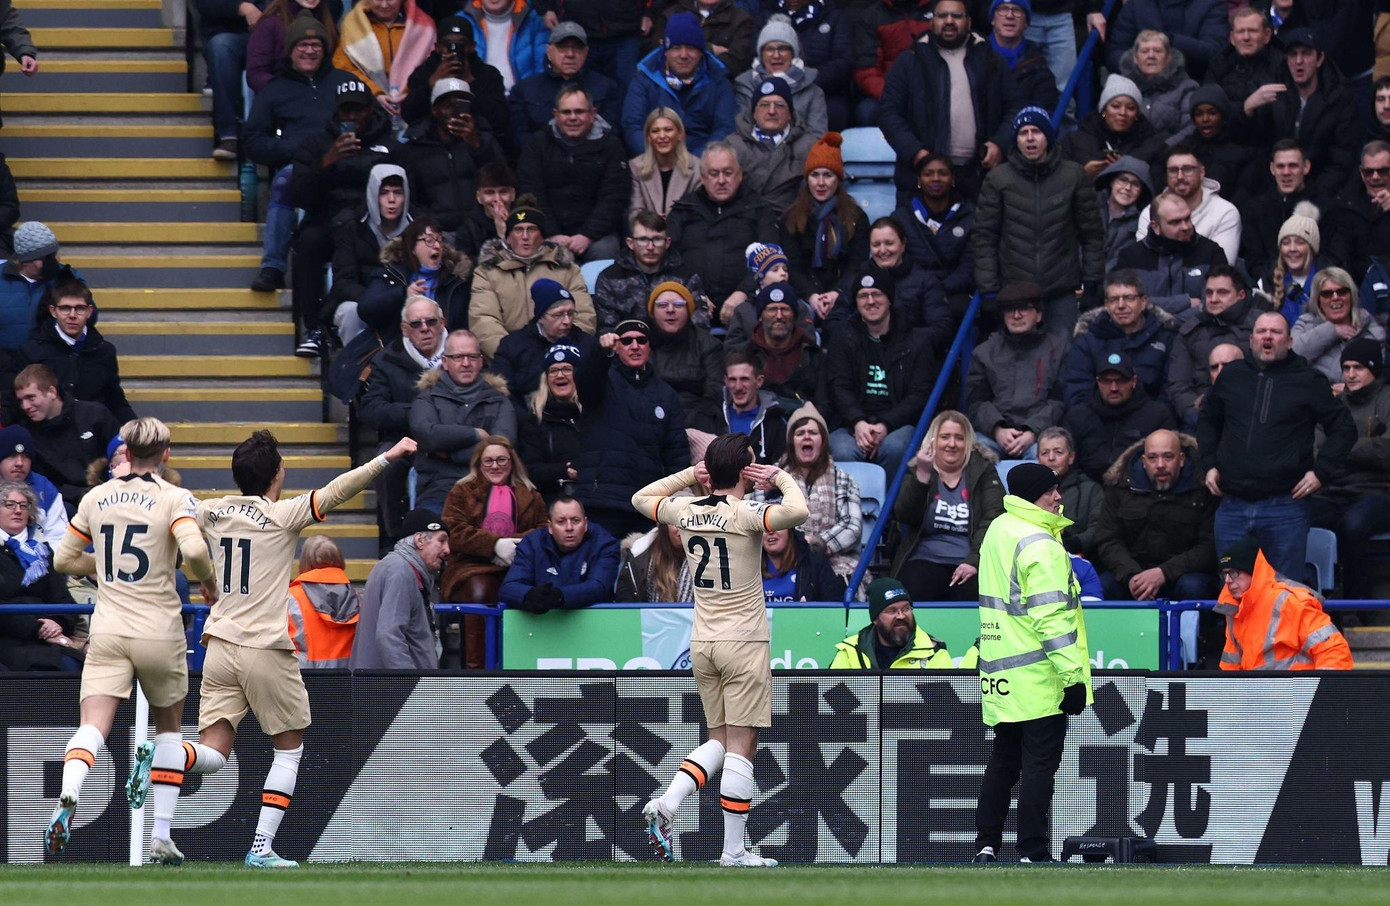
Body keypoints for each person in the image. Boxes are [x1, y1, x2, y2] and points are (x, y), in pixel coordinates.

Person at [144, 429, 417, 868]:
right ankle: (260, 849)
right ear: (276, 475)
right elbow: (340, 488)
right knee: (288, 748)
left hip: (217, 644)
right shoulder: (283, 514)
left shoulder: (212, 511)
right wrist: (388, 456)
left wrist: (136, 474)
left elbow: (174, 499)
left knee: (212, 753)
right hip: (265, 647)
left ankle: (167, 754)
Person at [634, 432, 809, 866]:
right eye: (753, 464)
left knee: (717, 739)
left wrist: (689, 476)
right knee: (742, 746)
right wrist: (779, 476)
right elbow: (799, 511)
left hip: (703, 641)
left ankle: (669, 803)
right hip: (745, 640)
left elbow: (642, 498)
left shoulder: (684, 509)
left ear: (710, 471)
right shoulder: (748, 514)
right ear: (745, 470)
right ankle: (732, 852)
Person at [48, 417, 218, 864]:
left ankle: (69, 793)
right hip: (158, 629)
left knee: (93, 724)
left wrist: (101, 567)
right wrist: (208, 584)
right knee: (168, 731)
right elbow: (197, 551)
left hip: (109, 627)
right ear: (166, 453)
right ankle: (161, 835)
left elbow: (64, 559)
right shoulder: (174, 497)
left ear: (123, 450)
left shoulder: (97, 496)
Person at [972, 461, 1090, 865]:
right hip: (1040, 674)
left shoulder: (998, 531)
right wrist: (1072, 677)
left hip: (1000, 671)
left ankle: (986, 845)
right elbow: (1050, 618)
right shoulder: (1039, 542)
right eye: (1050, 491)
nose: (1058, 497)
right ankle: (1032, 852)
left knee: (1003, 762)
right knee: (1039, 767)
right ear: (1032, 495)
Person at [1197, 311, 1358, 581]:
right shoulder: (1231, 376)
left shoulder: (1309, 380)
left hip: (1285, 506)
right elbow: (1208, 421)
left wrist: (1322, 472)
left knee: (1284, 593)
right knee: (1233, 593)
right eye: (1261, 332)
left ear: (1290, 341)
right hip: (1232, 504)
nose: (1267, 337)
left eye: (1276, 332)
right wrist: (1209, 464)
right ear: (1251, 340)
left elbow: (1344, 428)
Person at [288, 79, 406, 358]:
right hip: (327, 221)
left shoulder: (391, 146)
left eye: (359, 110)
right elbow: (298, 196)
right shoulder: (316, 144)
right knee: (307, 242)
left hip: (372, 225)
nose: (353, 117)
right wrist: (327, 162)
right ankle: (314, 328)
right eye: (347, 111)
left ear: (371, 111)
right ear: (337, 113)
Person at [244, 14, 354, 294]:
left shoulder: (344, 82)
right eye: (302, 44)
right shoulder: (274, 91)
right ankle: (273, 268)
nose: (309, 50)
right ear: (290, 50)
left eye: (316, 44)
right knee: (284, 181)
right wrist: (291, 150)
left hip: (347, 160)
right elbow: (253, 141)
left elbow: (373, 121)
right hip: (299, 166)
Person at [975, 107, 1104, 339]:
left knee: (1064, 361)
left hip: (1062, 290)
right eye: (1023, 133)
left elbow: (1092, 234)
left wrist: (1092, 282)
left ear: (1048, 137)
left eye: (1037, 131)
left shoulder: (1073, 175)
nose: (1030, 138)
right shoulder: (997, 179)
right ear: (1016, 139)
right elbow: (985, 237)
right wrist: (989, 291)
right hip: (1015, 291)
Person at [877, 0, 1022, 200]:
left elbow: (1015, 106)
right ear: (932, 21)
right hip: (922, 175)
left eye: (957, 16)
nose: (949, 21)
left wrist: (999, 143)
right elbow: (888, 113)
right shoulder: (909, 61)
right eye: (942, 16)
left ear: (969, 22)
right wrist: (916, 153)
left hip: (979, 174)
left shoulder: (990, 59)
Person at [571, 318, 690, 538]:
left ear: (649, 346)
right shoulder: (602, 380)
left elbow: (676, 453)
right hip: (602, 500)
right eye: (626, 341)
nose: (634, 346)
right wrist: (600, 352)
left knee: (642, 571)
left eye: (641, 340)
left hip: (645, 505)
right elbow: (584, 380)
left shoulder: (666, 394)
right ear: (616, 348)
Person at [440, 435, 547, 667]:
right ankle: (477, 669)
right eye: (488, 461)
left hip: (519, 565)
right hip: (471, 567)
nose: (495, 466)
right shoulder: (462, 491)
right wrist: (494, 546)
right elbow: (453, 530)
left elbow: (543, 530)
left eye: (501, 460)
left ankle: (523, 664)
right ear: (478, 464)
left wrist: (513, 545)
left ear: (512, 462)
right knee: (480, 591)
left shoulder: (531, 494)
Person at [823, 268, 936, 476]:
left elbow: (919, 395)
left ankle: (895, 509)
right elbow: (839, 386)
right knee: (842, 450)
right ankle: (852, 508)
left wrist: (886, 424)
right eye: (863, 296)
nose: (870, 301)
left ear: (889, 299)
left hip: (898, 424)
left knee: (896, 448)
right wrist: (858, 422)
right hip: (851, 424)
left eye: (876, 294)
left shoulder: (916, 340)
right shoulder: (843, 336)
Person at [890, 409, 1005, 603]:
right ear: (933, 440)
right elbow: (903, 514)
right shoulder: (919, 469)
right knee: (913, 585)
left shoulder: (983, 470)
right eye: (945, 437)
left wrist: (974, 561)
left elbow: (994, 517)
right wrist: (922, 476)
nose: (952, 444)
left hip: (970, 560)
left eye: (959, 438)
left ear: (968, 442)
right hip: (925, 559)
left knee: (976, 590)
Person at [356, 298, 443, 549]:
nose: (424, 328)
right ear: (405, 329)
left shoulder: (460, 354)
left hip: (451, 435)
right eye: (416, 324)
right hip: (404, 439)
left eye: (431, 321)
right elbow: (371, 409)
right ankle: (394, 534)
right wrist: (419, 413)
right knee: (385, 463)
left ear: (442, 324)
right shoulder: (387, 359)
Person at [1093, 428, 1218, 601]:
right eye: (1152, 458)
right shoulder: (1119, 487)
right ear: (1144, 461)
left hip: (1181, 574)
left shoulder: (1202, 489)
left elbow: (1210, 545)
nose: (1160, 465)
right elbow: (1107, 539)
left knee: (1194, 587)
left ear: (1181, 459)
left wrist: (1164, 573)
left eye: (1168, 457)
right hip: (1133, 573)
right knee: (1103, 586)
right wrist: (1132, 576)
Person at [1308, 340, 1390, 599]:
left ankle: (1357, 602)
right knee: (1292, 518)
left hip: (1376, 491)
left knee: (1353, 526)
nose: (1350, 374)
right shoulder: (1332, 404)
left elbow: (1387, 450)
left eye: (1358, 367)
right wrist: (1366, 447)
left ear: (1374, 369)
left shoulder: (1386, 399)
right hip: (1331, 491)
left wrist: (1341, 446)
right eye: (1346, 367)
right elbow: (1317, 451)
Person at [665, 143, 778, 328]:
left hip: (748, 301)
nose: (721, 180)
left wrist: (743, 292)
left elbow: (770, 258)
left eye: (728, 172)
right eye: (714, 173)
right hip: (690, 301)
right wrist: (693, 293)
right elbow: (669, 258)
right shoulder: (684, 209)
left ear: (740, 174)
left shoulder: (759, 209)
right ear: (702, 177)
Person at [468, 199, 596, 358]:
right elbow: (484, 321)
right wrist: (514, 355)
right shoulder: (487, 271)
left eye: (532, 229)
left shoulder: (567, 269)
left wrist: (561, 353)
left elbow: (584, 316)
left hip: (563, 358)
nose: (525, 236)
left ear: (542, 236)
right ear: (507, 237)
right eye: (518, 230)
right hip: (511, 360)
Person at [1242, 27, 1359, 200]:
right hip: (1274, 188)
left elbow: (1342, 162)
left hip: (1321, 191)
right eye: (1292, 54)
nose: (1298, 61)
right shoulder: (1272, 94)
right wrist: (1247, 109)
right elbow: (1256, 147)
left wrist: (1313, 196)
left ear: (1319, 59)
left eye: (1306, 54)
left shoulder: (1339, 100)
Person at [517, 83, 629, 262]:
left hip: (597, 236)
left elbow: (614, 196)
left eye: (579, 111)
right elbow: (532, 192)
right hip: (548, 233)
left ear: (592, 114)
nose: (573, 117)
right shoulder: (537, 144)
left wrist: (587, 235)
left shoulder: (612, 146)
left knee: (605, 251)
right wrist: (552, 233)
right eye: (566, 112)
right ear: (556, 114)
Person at [410, 329, 517, 511]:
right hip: (438, 489)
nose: (466, 363)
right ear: (445, 362)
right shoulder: (427, 398)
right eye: (458, 357)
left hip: (489, 490)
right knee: (432, 535)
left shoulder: (499, 400)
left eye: (472, 357)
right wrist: (476, 434)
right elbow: (427, 436)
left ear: (481, 361)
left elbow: (502, 447)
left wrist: (450, 453)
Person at [1214, 536, 1353, 670]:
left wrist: (1322, 692)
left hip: (1298, 691)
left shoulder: (1290, 602)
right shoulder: (1234, 608)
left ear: (1254, 572)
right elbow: (1230, 667)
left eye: (1234, 572)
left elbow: (1334, 651)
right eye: (1224, 574)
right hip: (1261, 692)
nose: (1227, 580)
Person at [9, 278, 135, 423]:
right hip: (45, 434)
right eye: (65, 308)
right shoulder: (31, 350)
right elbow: (15, 400)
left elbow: (115, 399)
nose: (72, 315)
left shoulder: (104, 351)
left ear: (89, 312)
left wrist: (136, 428)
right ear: (53, 311)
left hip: (93, 432)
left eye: (79, 308)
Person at [965, 283, 1067, 461]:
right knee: (971, 458)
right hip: (992, 434)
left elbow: (1060, 400)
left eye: (1024, 309)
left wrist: (1032, 431)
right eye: (1009, 310)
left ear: (1039, 315)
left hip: (1041, 434)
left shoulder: (1059, 350)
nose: (1016, 315)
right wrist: (998, 430)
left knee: (1046, 458)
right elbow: (975, 402)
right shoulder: (984, 352)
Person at [765, 401, 862, 583]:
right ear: (791, 442)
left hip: (833, 561)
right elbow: (757, 517)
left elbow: (853, 527)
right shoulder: (771, 477)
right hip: (780, 561)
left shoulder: (844, 480)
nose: (806, 437)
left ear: (823, 441)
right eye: (800, 433)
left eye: (813, 433)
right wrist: (795, 547)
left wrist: (817, 544)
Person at [779, 132, 870, 317]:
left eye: (828, 175)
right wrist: (812, 296)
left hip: (843, 295)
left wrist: (837, 293)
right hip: (803, 296)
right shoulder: (790, 218)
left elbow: (856, 264)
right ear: (807, 179)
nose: (820, 183)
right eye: (814, 175)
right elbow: (793, 266)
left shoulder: (856, 217)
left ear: (838, 179)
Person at [622, 12, 738, 157]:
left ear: (701, 52)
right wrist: (658, 159)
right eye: (676, 48)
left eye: (691, 48)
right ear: (665, 51)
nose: (683, 55)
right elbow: (633, 127)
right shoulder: (645, 78)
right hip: (653, 161)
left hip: (702, 164)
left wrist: (692, 162)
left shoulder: (718, 80)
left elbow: (725, 128)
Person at [397, 78, 505, 234]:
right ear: (434, 110)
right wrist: (431, 226)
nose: (455, 113)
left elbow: (501, 180)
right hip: (438, 234)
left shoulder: (484, 140)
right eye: (448, 106)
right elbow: (411, 200)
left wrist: (476, 145)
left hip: (482, 230)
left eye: (461, 106)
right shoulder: (415, 148)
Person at [350, 507, 450, 669]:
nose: (447, 550)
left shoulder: (396, 567)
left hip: (384, 687)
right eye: (441, 540)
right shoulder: (400, 571)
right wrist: (406, 683)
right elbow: (389, 635)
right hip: (392, 690)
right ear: (420, 540)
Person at [1061, 270, 1176, 409]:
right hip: (1098, 422)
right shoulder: (1087, 342)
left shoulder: (1166, 338)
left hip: (1153, 423)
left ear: (1143, 302)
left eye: (1128, 298)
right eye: (1114, 299)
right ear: (1106, 305)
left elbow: (1170, 392)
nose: (1121, 305)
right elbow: (1077, 392)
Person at [1167, 266, 1262, 429]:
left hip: (1254, 417)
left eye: (1222, 292)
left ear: (1241, 295)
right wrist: (1196, 415)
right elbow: (1178, 385)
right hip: (1202, 416)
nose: (1213, 299)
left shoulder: (1261, 326)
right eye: (1209, 293)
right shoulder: (1191, 330)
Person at [13, 364, 119, 506]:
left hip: (110, 496)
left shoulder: (94, 415)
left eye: (31, 398)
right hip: (62, 505)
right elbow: (39, 482)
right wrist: (79, 495)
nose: (25, 406)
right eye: (21, 400)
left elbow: (121, 454)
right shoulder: (26, 434)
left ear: (52, 392)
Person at [0, 480, 78, 672]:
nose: (17, 510)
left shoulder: (42, 552)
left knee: (75, 666)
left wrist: (57, 623)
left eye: (23, 505)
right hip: (8, 640)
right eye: (9, 504)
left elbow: (63, 600)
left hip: (47, 639)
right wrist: (38, 629)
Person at [1063, 352, 1177, 481]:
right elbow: (1068, 468)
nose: (1113, 388)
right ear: (1097, 382)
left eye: (1120, 380)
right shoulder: (1077, 416)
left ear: (1134, 381)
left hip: (1138, 491)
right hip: (1086, 493)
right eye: (1106, 381)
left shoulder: (1158, 415)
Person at [594, 211, 708, 338]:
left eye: (657, 239)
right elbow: (606, 328)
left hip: (677, 350)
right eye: (643, 239)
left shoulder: (686, 276)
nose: (650, 247)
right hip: (630, 348)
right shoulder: (610, 277)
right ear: (630, 243)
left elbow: (700, 325)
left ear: (667, 243)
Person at [498, 495, 620, 611]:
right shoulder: (531, 544)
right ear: (550, 527)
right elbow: (508, 587)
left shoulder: (605, 544)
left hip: (595, 622)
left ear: (586, 524)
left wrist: (560, 596)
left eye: (576, 520)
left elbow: (599, 586)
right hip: (539, 624)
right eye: (561, 521)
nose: (569, 527)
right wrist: (529, 595)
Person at [403, 14, 510, 146]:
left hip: (475, 139)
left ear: (472, 46)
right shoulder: (423, 73)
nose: (453, 49)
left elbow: (500, 120)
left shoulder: (488, 74)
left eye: (461, 44)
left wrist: (470, 81)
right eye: (448, 44)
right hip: (431, 142)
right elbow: (408, 115)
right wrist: (430, 85)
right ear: (437, 47)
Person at [893, 153, 976, 324]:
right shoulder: (901, 218)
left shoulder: (971, 216)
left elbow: (969, 266)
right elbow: (900, 261)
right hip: (913, 290)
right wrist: (923, 287)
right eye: (928, 174)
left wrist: (942, 287)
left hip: (954, 291)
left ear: (953, 179)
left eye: (943, 173)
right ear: (919, 180)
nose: (936, 179)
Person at [359, 218, 474, 339]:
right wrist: (403, 294)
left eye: (439, 240)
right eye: (429, 240)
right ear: (412, 247)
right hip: (396, 349)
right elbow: (366, 310)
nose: (437, 246)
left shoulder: (455, 282)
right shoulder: (391, 275)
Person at [1116, 192, 1229, 316]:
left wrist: (1164, 317)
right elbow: (1125, 305)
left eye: (1187, 219)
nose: (1185, 227)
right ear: (1156, 227)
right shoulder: (1130, 257)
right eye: (1175, 222)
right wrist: (1185, 302)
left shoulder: (1210, 252)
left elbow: (1214, 306)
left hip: (1196, 333)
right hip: (1144, 334)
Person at [509, 22, 620, 147]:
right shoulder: (524, 90)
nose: (570, 54)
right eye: (562, 47)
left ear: (586, 52)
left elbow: (611, 136)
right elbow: (519, 138)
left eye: (577, 48)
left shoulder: (607, 88)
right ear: (549, 52)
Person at [494, 278, 600, 402]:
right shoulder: (512, 346)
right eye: (558, 315)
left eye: (570, 313)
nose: (567, 321)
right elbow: (504, 396)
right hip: (530, 417)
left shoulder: (587, 344)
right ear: (540, 317)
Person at [724, 76, 817, 217]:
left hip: (791, 221)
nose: (772, 111)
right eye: (764, 105)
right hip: (743, 220)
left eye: (779, 105)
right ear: (754, 113)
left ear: (789, 114)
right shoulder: (732, 145)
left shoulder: (809, 145)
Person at [1133, 147, 1241, 266]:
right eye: (1173, 170)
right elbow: (1143, 263)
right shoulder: (1150, 212)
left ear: (1201, 172)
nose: (1180, 176)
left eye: (1187, 169)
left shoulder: (1225, 212)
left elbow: (1223, 267)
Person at [332, 0, 437, 120]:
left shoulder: (424, 25)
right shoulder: (352, 24)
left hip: (416, 104)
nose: (384, 5)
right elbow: (343, 66)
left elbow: (432, 65)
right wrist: (375, 92)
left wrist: (411, 92)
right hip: (367, 106)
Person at [732, 14, 828, 133]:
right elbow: (742, 131)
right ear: (761, 54)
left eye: (782, 49)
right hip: (753, 150)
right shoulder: (745, 85)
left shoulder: (813, 91)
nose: (776, 55)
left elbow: (817, 136)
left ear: (793, 53)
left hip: (799, 150)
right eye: (770, 49)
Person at [1059, 74, 1165, 183]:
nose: (1123, 113)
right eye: (1116, 106)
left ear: (1137, 114)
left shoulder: (1153, 146)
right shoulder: (1074, 141)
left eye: (1130, 108)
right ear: (1104, 110)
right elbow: (1056, 185)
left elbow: (1157, 187)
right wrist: (1083, 175)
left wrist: (1127, 171)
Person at [829, 576, 953, 668]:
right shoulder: (852, 650)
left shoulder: (933, 651)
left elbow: (942, 701)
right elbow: (834, 698)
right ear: (876, 619)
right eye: (892, 611)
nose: (901, 616)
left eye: (906, 609)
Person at [690, 348, 788, 463]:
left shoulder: (774, 423)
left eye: (744, 379)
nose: (738, 387)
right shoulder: (709, 415)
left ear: (759, 381)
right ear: (725, 381)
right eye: (732, 379)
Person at [1292, 268, 1386, 386]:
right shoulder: (1305, 323)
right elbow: (1292, 357)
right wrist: (1331, 331)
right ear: (1318, 300)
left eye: (1342, 291)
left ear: (1351, 296)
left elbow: (1381, 374)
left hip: (1361, 401)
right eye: (1327, 294)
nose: (1335, 297)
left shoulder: (1368, 324)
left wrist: (1349, 390)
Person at [1240, 141, 1319, 280]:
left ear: (1306, 167)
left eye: (1293, 166)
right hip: (1270, 286)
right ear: (1272, 168)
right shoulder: (1255, 209)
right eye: (1280, 166)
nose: (1286, 172)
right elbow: (1254, 261)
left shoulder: (1324, 206)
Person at [193, 0, 260, 159]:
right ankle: (228, 136)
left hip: (274, 31)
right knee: (221, 47)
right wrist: (243, 8)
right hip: (231, 36)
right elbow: (206, 5)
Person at [0, 222, 81, 352]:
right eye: (45, 258)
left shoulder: (68, 276)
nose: (54, 261)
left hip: (52, 362)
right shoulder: (1, 278)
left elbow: (89, 316)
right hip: (7, 364)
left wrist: (64, 284)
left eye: (54, 254)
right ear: (26, 260)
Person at [647, 280, 723, 417]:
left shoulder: (709, 345)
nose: (670, 310)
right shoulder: (640, 344)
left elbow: (714, 395)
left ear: (689, 312)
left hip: (698, 422)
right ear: (652, 312)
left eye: (678, 305)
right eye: (662, 305)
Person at [851, 0, 932, 128]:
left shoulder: (940, 9)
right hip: (890, 91)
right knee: (867, 111)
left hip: (933, 89)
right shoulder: (871, 16)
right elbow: (866, 70)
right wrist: (892, 95)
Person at [285, 536, 361, 669]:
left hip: (305, 680)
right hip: (348, 681)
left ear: (305, 561)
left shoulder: (292, 598)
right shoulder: (355, 599)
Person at [1324, 141, 1390, 287]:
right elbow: (1339, 256)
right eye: (1369, 172)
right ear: (1361, 173)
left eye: (1383, 171)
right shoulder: (1346, 209)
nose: (1375, 177)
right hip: (1357, 291)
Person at [1101, 0, 1225, 77]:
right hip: (1138, 87)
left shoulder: (1211, 4)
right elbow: (1114, 51)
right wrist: (1140, 67)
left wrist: (1171, 41)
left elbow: (1216, 52)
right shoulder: (1136, 5)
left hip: (1192, 86)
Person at [746, 278, 822, 402]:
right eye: (772, 309)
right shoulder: (746, 355)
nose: (779, 316)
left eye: (785, 309)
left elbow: (822, 402)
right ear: (760, 316)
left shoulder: (811, 355)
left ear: (795, 315)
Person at [1116, 29, 1197, 142]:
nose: (1151, 56)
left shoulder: (1186, 87)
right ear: (1135, 58)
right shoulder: (1120, 87)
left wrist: (1162, 149)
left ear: (1168, 57)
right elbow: (1105, 119)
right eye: (1144, 51)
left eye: (1158, 51)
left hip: (1171, 154)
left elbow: (1191, 127)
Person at [1256, 203, 1326, 327]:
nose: (1292, 249)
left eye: (1300, 242)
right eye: (1286, 243)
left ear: (1312, 247)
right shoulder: (1267, 279)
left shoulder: (1330, 280)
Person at [247, 0, 340, 93]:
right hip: (281, 98)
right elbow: (256, 74)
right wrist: (290, 90)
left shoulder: (328, 23)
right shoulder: (270, 24)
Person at [985, 0, 1059, 114]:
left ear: (1026, 22)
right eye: (1003, 9)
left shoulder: (1038, 66)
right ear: (992, 19)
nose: (1009, 16)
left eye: (1017, 10)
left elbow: (1044, 112)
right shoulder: (976, 56)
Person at [1205, 5, 1284, 111]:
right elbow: (1210, 109)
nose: (1246, 37)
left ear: (1267, 35)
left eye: (1252, 31)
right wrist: (1245, 108)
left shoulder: (1283, 64)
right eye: (1240, 32)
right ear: (1232, 38)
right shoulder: (1218, 66)